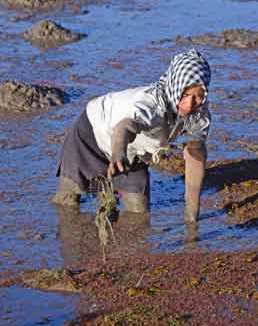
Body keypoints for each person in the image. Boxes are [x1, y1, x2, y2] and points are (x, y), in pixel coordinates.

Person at [53, 49, 211, 222]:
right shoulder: (150, 104)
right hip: (92, 133)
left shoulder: (199, 115)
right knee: (68, 201)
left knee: (139, 213)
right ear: (176, 85)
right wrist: (117, 153)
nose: (190, 104)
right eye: (186, 94)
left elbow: (195, 156)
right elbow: (125, 127)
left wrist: (191, 217)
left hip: (133, 152)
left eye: (198, 97)